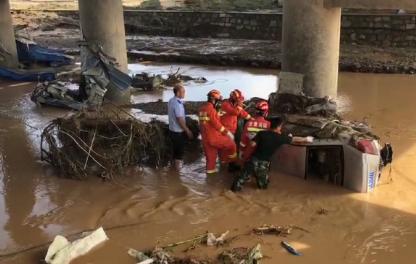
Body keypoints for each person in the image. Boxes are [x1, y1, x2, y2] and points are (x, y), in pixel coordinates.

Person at [231, 117, 313, 192]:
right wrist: (306, 139)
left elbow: (252, 144)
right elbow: (295, 139)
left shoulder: (261, 133)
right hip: (263, 165)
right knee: (263, 187)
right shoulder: (280, 137)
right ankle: (259, 178)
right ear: (278, 127)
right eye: (281, 126)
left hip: (252, 161)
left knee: (238, 182)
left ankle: (242, 181)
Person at [199, 89, 237, 175]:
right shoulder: (211, 109)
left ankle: (210, 179)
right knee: (232, 144)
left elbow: (207, 121)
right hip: (213, 138)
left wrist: (217, 114)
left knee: (211, 162)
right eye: (217, 100)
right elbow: (217, 125)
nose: (218, 103)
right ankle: (231, 164)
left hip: (205, 139)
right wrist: (228, 133)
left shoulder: (202, 108)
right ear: (213, 99)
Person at [168, 84, 193, 169]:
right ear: (178, 93)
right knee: (179, 155)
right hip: (178, 133)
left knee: (174, 153)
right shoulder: (178, 104)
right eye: (183, 92)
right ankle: (177, 176)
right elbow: (180, 119)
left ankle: (172, 171)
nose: (184, 93)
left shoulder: (171, 100)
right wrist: (187, 131)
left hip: (171, 131)